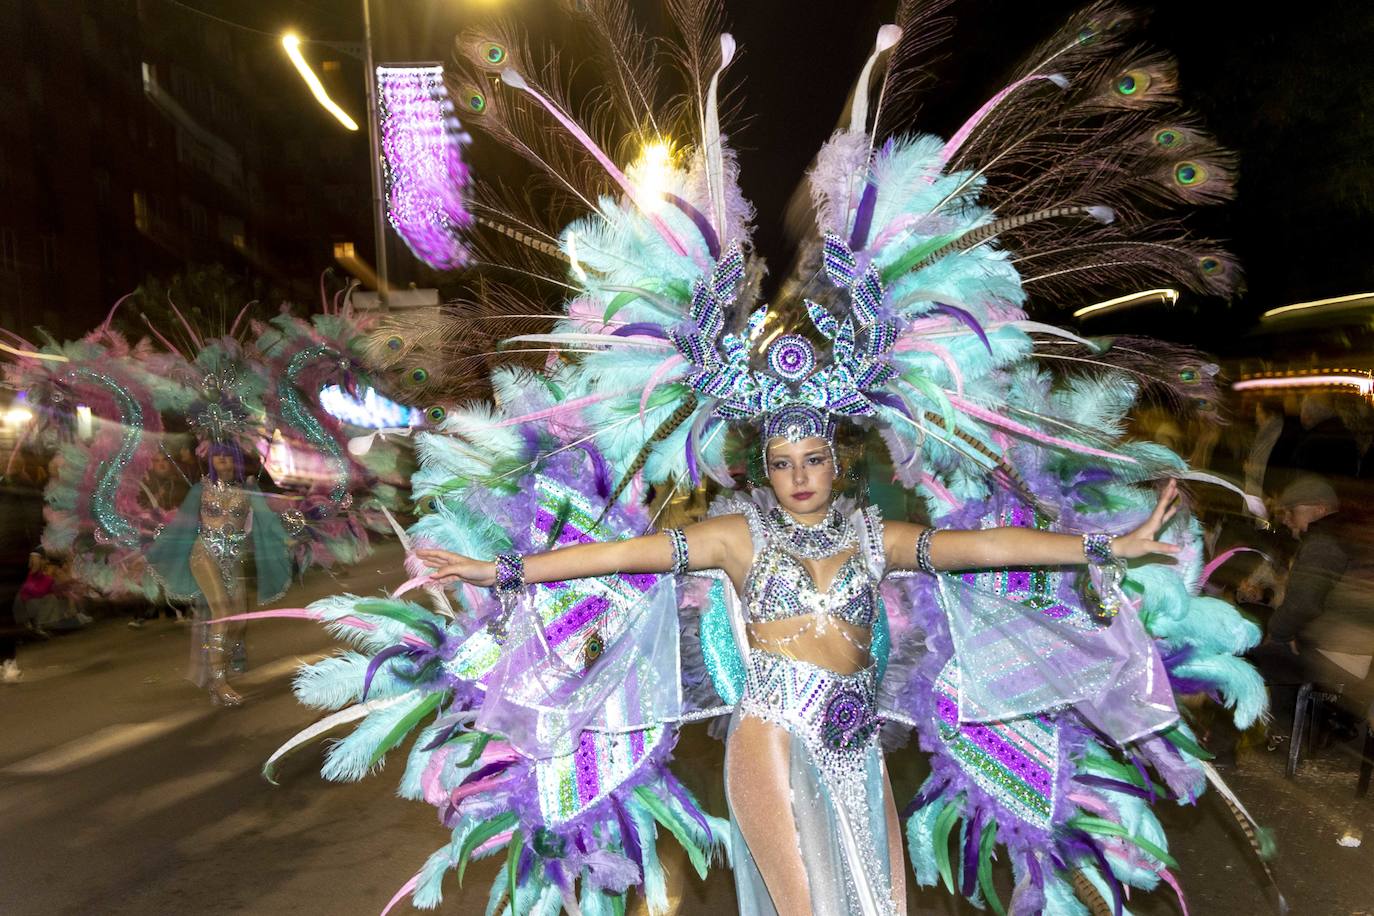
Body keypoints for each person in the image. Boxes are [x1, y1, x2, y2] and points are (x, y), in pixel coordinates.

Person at [417, 429, 1179, 914]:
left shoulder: (874, 536)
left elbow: (982, 548)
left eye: (813, 459)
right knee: (804, 906)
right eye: (782, 464)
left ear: (837, 461)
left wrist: (1106, 547)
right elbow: (620, 556)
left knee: (878, 902)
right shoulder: (734, 537)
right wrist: (501, 570)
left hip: (855, 745)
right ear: (766, 472)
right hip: (772, 739)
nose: (799, 476)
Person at [146, 440, 292, 706]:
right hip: (204, 554)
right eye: (217, 456)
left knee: (239, 622)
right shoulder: (201, 489)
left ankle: (221, 661)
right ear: (210, 460)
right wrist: (155, 545)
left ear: (236, 459)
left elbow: (266, 520)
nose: (222, 460)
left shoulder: (248, 488)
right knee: (222, 612)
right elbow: (182, 524)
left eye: (228, 455)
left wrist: (287, 537)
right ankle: (219, 683)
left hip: (232, 558)